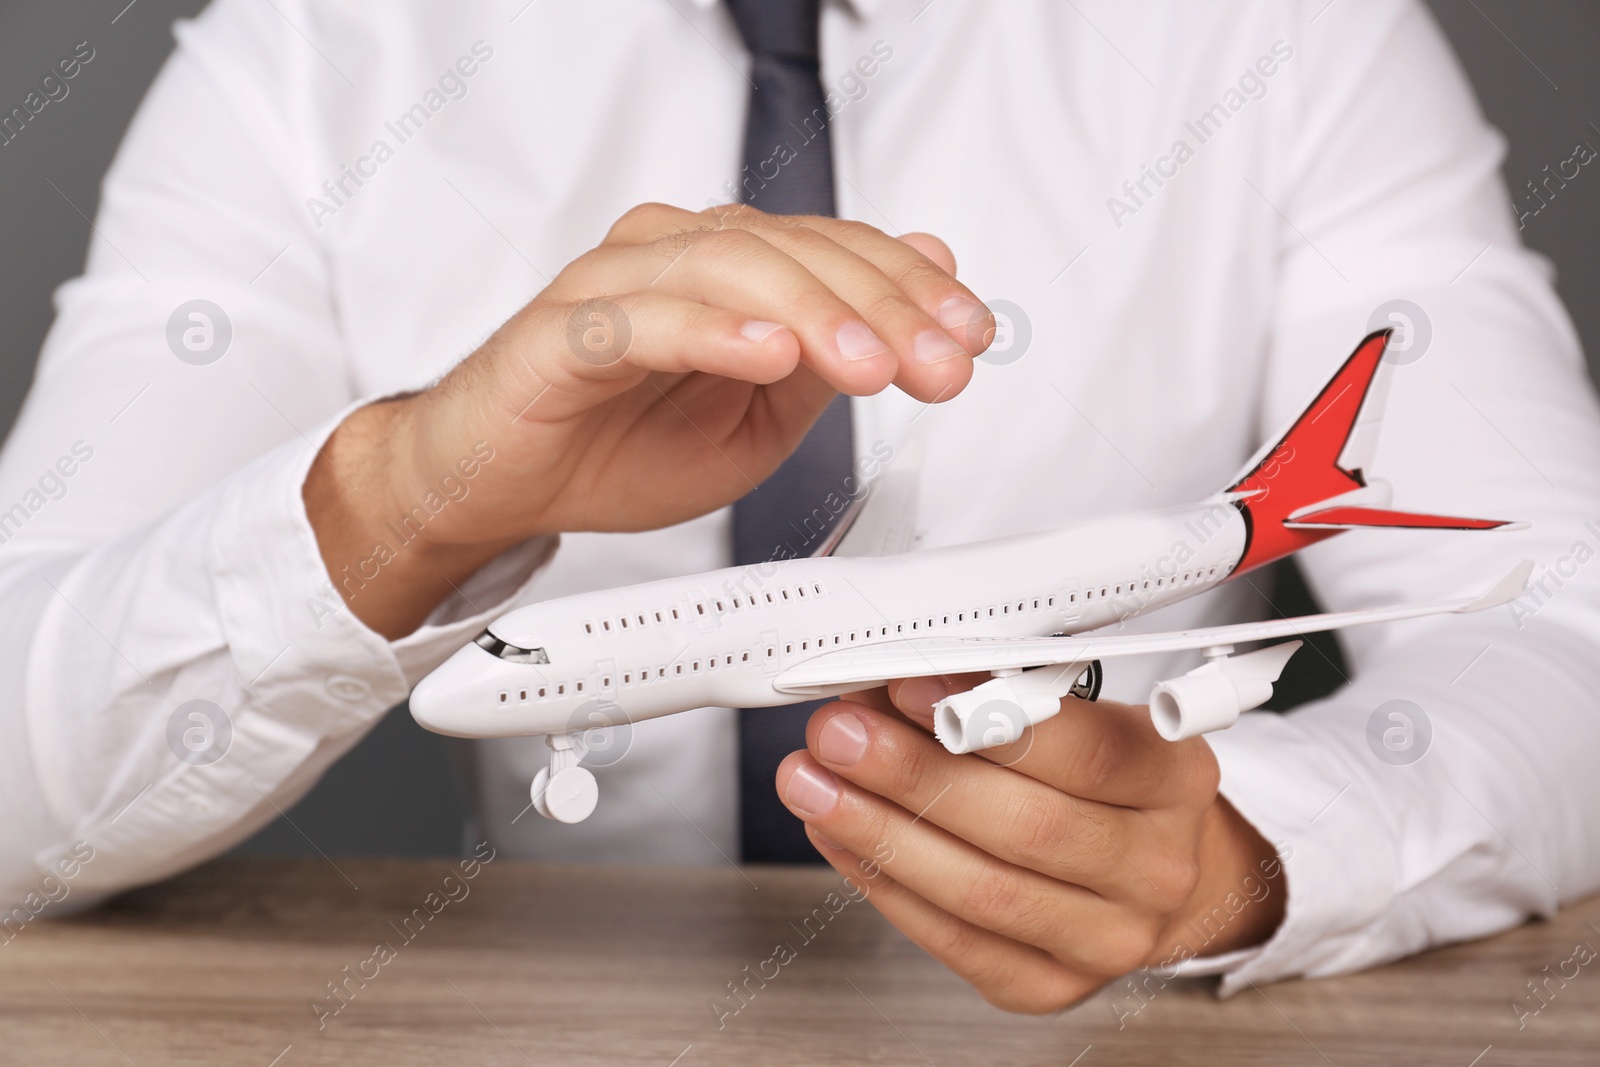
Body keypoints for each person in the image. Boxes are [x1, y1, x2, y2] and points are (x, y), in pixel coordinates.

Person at [2, 0, 1598, 1014]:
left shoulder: (1286, 32)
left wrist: (1260, 847)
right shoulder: (308, 51)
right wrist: (401, 498)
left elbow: (1566, 627)